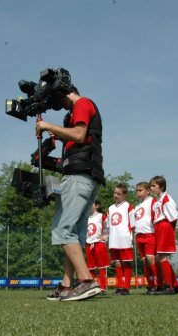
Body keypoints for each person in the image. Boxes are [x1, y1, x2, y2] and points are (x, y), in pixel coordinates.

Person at [36, 84, 105, 302]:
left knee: (62, 229)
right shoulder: (75, 111)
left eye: (57, 101)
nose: (57, 106)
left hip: (79, 177)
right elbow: (77, 145)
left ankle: (86, 281)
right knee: (73, 232)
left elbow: (78, 134)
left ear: (66, 92)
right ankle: (67, 285)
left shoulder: (82, 103)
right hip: (86, 175)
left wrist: (48, 125)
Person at [149, 176, 178, 295]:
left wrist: (169, 231)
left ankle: (169, 286)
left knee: (162, 257)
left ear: (161, 186)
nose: (151, 188)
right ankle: (175, 285)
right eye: (151, 186)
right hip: (158, 227)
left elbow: (173, 217)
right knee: (160, 257)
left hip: (164, 226)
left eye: (154, 186)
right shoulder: (158, 201)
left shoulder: (166, 198)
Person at [107, 183, 135, 295]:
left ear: (124, 195)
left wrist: (130, 237)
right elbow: (109, 226)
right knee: (117, 264)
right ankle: (120, 286)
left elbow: (133, 225)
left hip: (124, 240)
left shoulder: (129, 206)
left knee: (126, 263)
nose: (116, 195)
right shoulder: (110, 208)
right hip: (114, 240)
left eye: (119, 194)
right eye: (115, 193)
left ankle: (126, 287)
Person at [133, 182, 158, 295]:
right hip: (139, 235)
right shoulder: (137, 206)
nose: (138, 193)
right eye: (137, 191)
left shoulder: (153, 201)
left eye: (140, 190)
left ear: (147, 191)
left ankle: (159, 284)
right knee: (145, 262)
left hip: (149, 234)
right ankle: (151, 285)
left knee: (151, 259)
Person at [85, 200, 110, 294]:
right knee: (90, 267)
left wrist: (105, 237)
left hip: (99, 243)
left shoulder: (101, 216)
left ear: (97, 206)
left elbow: (109, 226)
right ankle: (92, 287)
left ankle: (103, 288)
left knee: (101, 267)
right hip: (88, 243)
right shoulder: (85, 217)